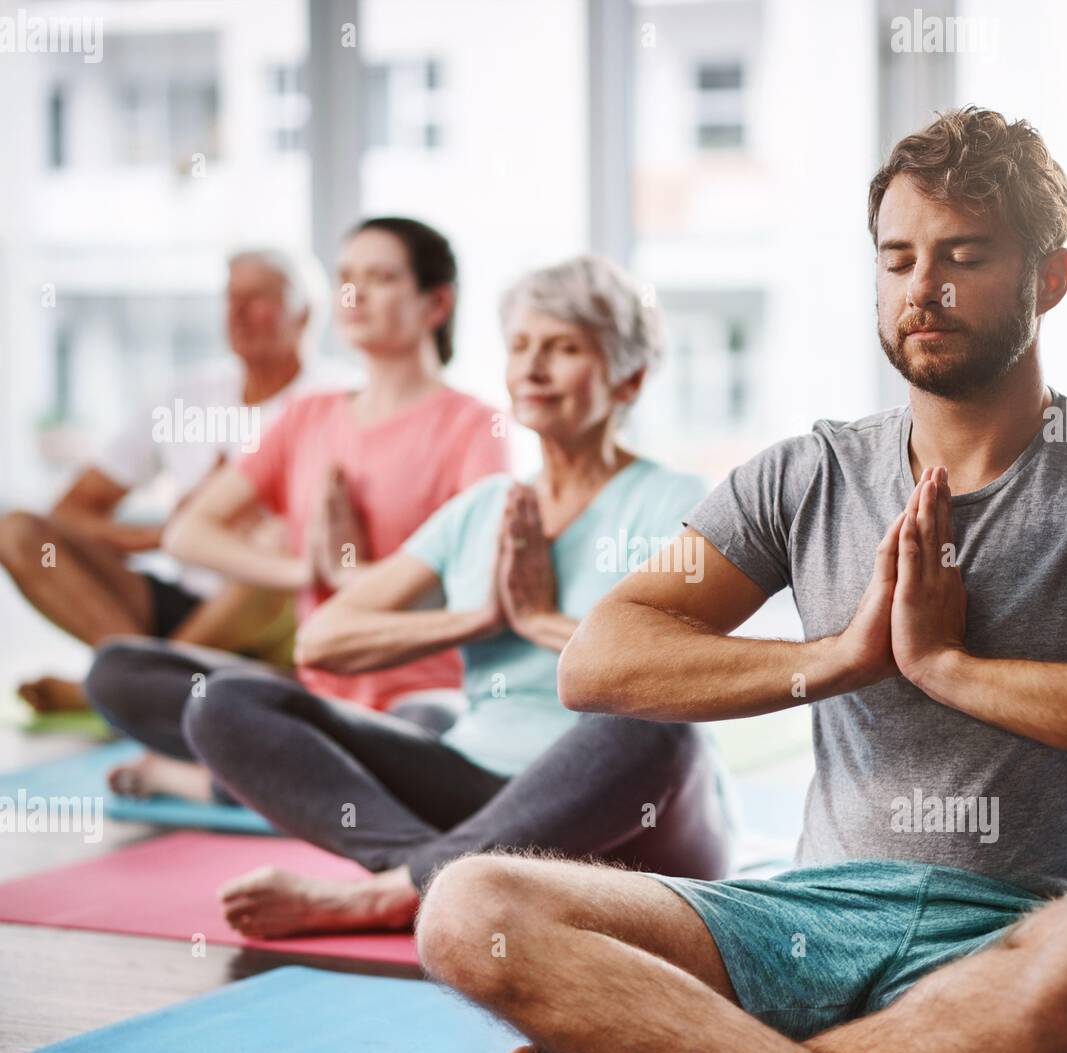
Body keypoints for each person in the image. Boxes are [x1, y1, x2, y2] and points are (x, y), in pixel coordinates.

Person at [412, 106, 1067, 1053]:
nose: (925, 288)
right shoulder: (806, 471)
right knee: (472, 906)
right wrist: (839, 656)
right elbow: (600, 659)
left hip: (1023, 936)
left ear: (1049, 278)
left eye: (964, 255)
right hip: (797, 919)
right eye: (898, 258)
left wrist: (953, 667)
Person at [173, 255, 732, 939]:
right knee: (224, 700)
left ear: (629, 378)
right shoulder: (484, 508)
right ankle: (428, 877)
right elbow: (321, 638)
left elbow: (680, 669)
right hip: (479, 795)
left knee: (651, 721)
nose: (531, 368)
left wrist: (538, 619)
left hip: (626, 814)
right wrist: (477, 618)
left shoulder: (675, 501)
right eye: (521, 346)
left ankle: (399, 889)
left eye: (562, 349)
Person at [85, 217, 509, 803]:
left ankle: (208, 780)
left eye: (381, 278)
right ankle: (295, 772)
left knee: (427, 741)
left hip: (420, 701)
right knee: (118, 671)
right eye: (346, 278)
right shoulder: (309, 415)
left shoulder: (474, 425)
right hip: (311, 692)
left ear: (436, 302)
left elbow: (476, 584)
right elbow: (189, 533)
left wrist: (351, 576)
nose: (355, 296)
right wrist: (304, 570)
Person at [0, 248, 350, 715]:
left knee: (280, 544)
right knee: (17, 532)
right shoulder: (186, 396)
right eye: (231, 297)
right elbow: (73, 509)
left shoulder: (338, 399)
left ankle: (126, 690)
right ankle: (150, 685)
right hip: (185, 600)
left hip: (277, 608)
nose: (238, 312)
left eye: (258, 297)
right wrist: (163, 535)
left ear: (304, 313)